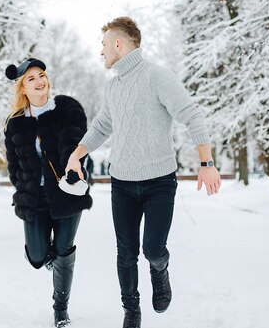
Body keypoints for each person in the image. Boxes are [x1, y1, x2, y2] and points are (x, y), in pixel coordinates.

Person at [65, 17, 221, 328]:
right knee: (126, 253)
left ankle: (160, 269)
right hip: (122, 183)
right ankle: (131, 311)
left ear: (118, 45)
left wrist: (207, 163)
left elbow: (191, 115)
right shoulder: (113, 87)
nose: (101, 52)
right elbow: (102, 126)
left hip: (159, 183)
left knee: (152, 248)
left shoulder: (157, 77)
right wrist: (76, 155)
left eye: (104, 45)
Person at [3, 57, 92, 328]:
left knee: (64, 251)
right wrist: (22, 188)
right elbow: (13, 164)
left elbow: (75, 145)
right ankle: (54, 260)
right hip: (34, 199)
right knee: (38, 256)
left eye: (41, 75)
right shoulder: (15, 123)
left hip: (66, 194)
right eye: (31, 78)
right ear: (22, 88)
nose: (39, 81)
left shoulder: (67, 109)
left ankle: (60, 310)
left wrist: (73, 172)